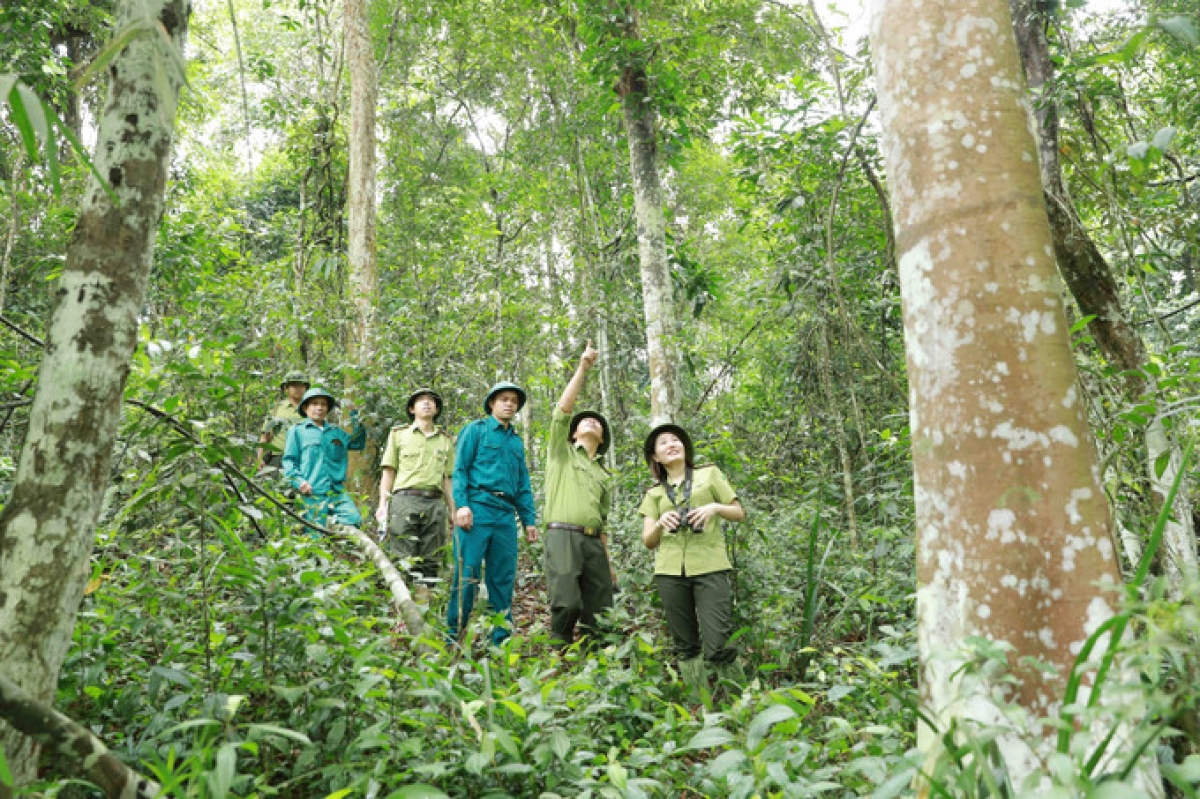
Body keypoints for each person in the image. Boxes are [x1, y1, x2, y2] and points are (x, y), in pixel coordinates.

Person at [639, 423, 746, 701]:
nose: (672, 444)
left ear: (685, 448)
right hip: (670, 571)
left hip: (710, 565)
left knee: (719, 642)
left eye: (676, 440)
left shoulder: (709, 474)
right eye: (663, 442)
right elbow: (648, 540)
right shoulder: (654, 493)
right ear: (655, 456)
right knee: (685, 645)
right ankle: (700, 705)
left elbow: (738, 512)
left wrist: (714, 508)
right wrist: (661, 523)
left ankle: (741, 703)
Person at [447, 381, 539, 647]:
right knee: (467, 575)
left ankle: (500, 643)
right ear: (491, 403)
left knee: (502, 579)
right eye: (504, 399)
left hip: (505, 516)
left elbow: (522, 483)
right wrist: (462, 505)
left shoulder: (516, 442)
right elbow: (460, 470)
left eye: (514, 401)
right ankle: (454, 638)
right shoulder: (475, 431)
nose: (509, 404)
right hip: (477, 509)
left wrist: (529, 520)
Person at [542, 341, 615, 648]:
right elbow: (562, 410)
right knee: (567, 602)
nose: (592, 422)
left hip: (593, 542)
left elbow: (603, 523)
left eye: (597, 422)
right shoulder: (561, 453)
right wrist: (583, 367)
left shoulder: (603, 474)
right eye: (585, 420)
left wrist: (608, 564)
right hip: (563, 536)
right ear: (573, 433)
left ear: (603, 437)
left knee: (600, 607)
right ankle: (558, 650)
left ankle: (595, 660)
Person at [376, 388, 455, 600]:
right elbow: (388, 471)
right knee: (402, 555)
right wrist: (383, 504)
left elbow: (447, 479)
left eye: (431, 401)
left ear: (437, 409)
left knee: (431, 557)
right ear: (412, 409)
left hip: (434, 502)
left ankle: (423, 605)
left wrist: (453, 510)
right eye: (421, 401)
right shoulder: (399, 435)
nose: (427, 403)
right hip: (404, 499)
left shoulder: (446, 440)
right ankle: (402, 607)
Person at [283, 387, 366, 527]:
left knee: (354, 519)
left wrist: (355, 416)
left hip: (336, 491)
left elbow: (357, 443)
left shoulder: (336, 431)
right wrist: (299, 482)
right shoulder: (297, 431)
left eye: (323, 404)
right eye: (315, 404)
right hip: (312, 491)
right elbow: (289, 461)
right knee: (315, 532)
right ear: (305, 408)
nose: (319, 408)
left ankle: (333, 527)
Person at [258, 370, 310, 469]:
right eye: (294, 385)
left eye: (301, 385)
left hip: (304, 458)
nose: (298, 389)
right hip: (278, 458)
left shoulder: (312, 409)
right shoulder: (276, 409)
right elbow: (265, 437)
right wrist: (260, 458)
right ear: (286, 388)